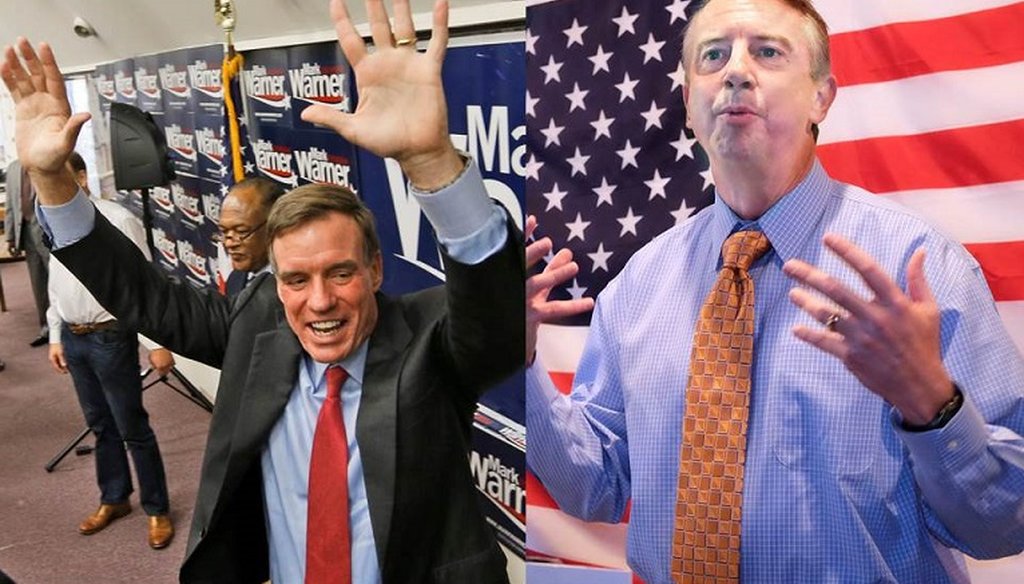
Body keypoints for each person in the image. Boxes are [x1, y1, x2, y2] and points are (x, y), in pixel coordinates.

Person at [1, 0, 523, 582]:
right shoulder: (255, 325)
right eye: (295, 279)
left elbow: (492, 317)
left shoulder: (432, 339)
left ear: (376, 271)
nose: (319, 301)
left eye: (341, 273)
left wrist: (429, 161)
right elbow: (141, 294)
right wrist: (50, 179)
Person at [525, 0, 1024, 582]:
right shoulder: (640, 284)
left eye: (767, 51)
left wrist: (933, 405)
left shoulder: (919, 269)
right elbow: (597, 487)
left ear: (821, 97)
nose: (736, 70)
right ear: (689, 104)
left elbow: (1004, 526)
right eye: (713, 56)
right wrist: (522, 359)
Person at [46, 151, 176, 548]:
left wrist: (155, 343)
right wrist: (55, 334)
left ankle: (157, 510)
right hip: (74, 337)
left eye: (62, 175)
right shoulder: (52, 220)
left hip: (110, 338)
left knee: (132, 427)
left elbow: (145, 284)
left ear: (82, 177)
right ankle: (115, 498)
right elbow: (56, 283)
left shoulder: (118, 220)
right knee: (100, 425)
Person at [4, 157, 50, 347]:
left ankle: (71, 328)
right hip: (27, 234)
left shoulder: (47, 162)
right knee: (38, 283)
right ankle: (47, 328)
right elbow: (10, 205)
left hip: (49, 232)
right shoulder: (13, 168)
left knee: (61, 281)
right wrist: (10, 236)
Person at [217, 176, 284, 297]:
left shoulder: (292, 286)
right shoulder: (235, 280)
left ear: (273, 226)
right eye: (224, 232)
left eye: (241, 231)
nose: (229, 244)